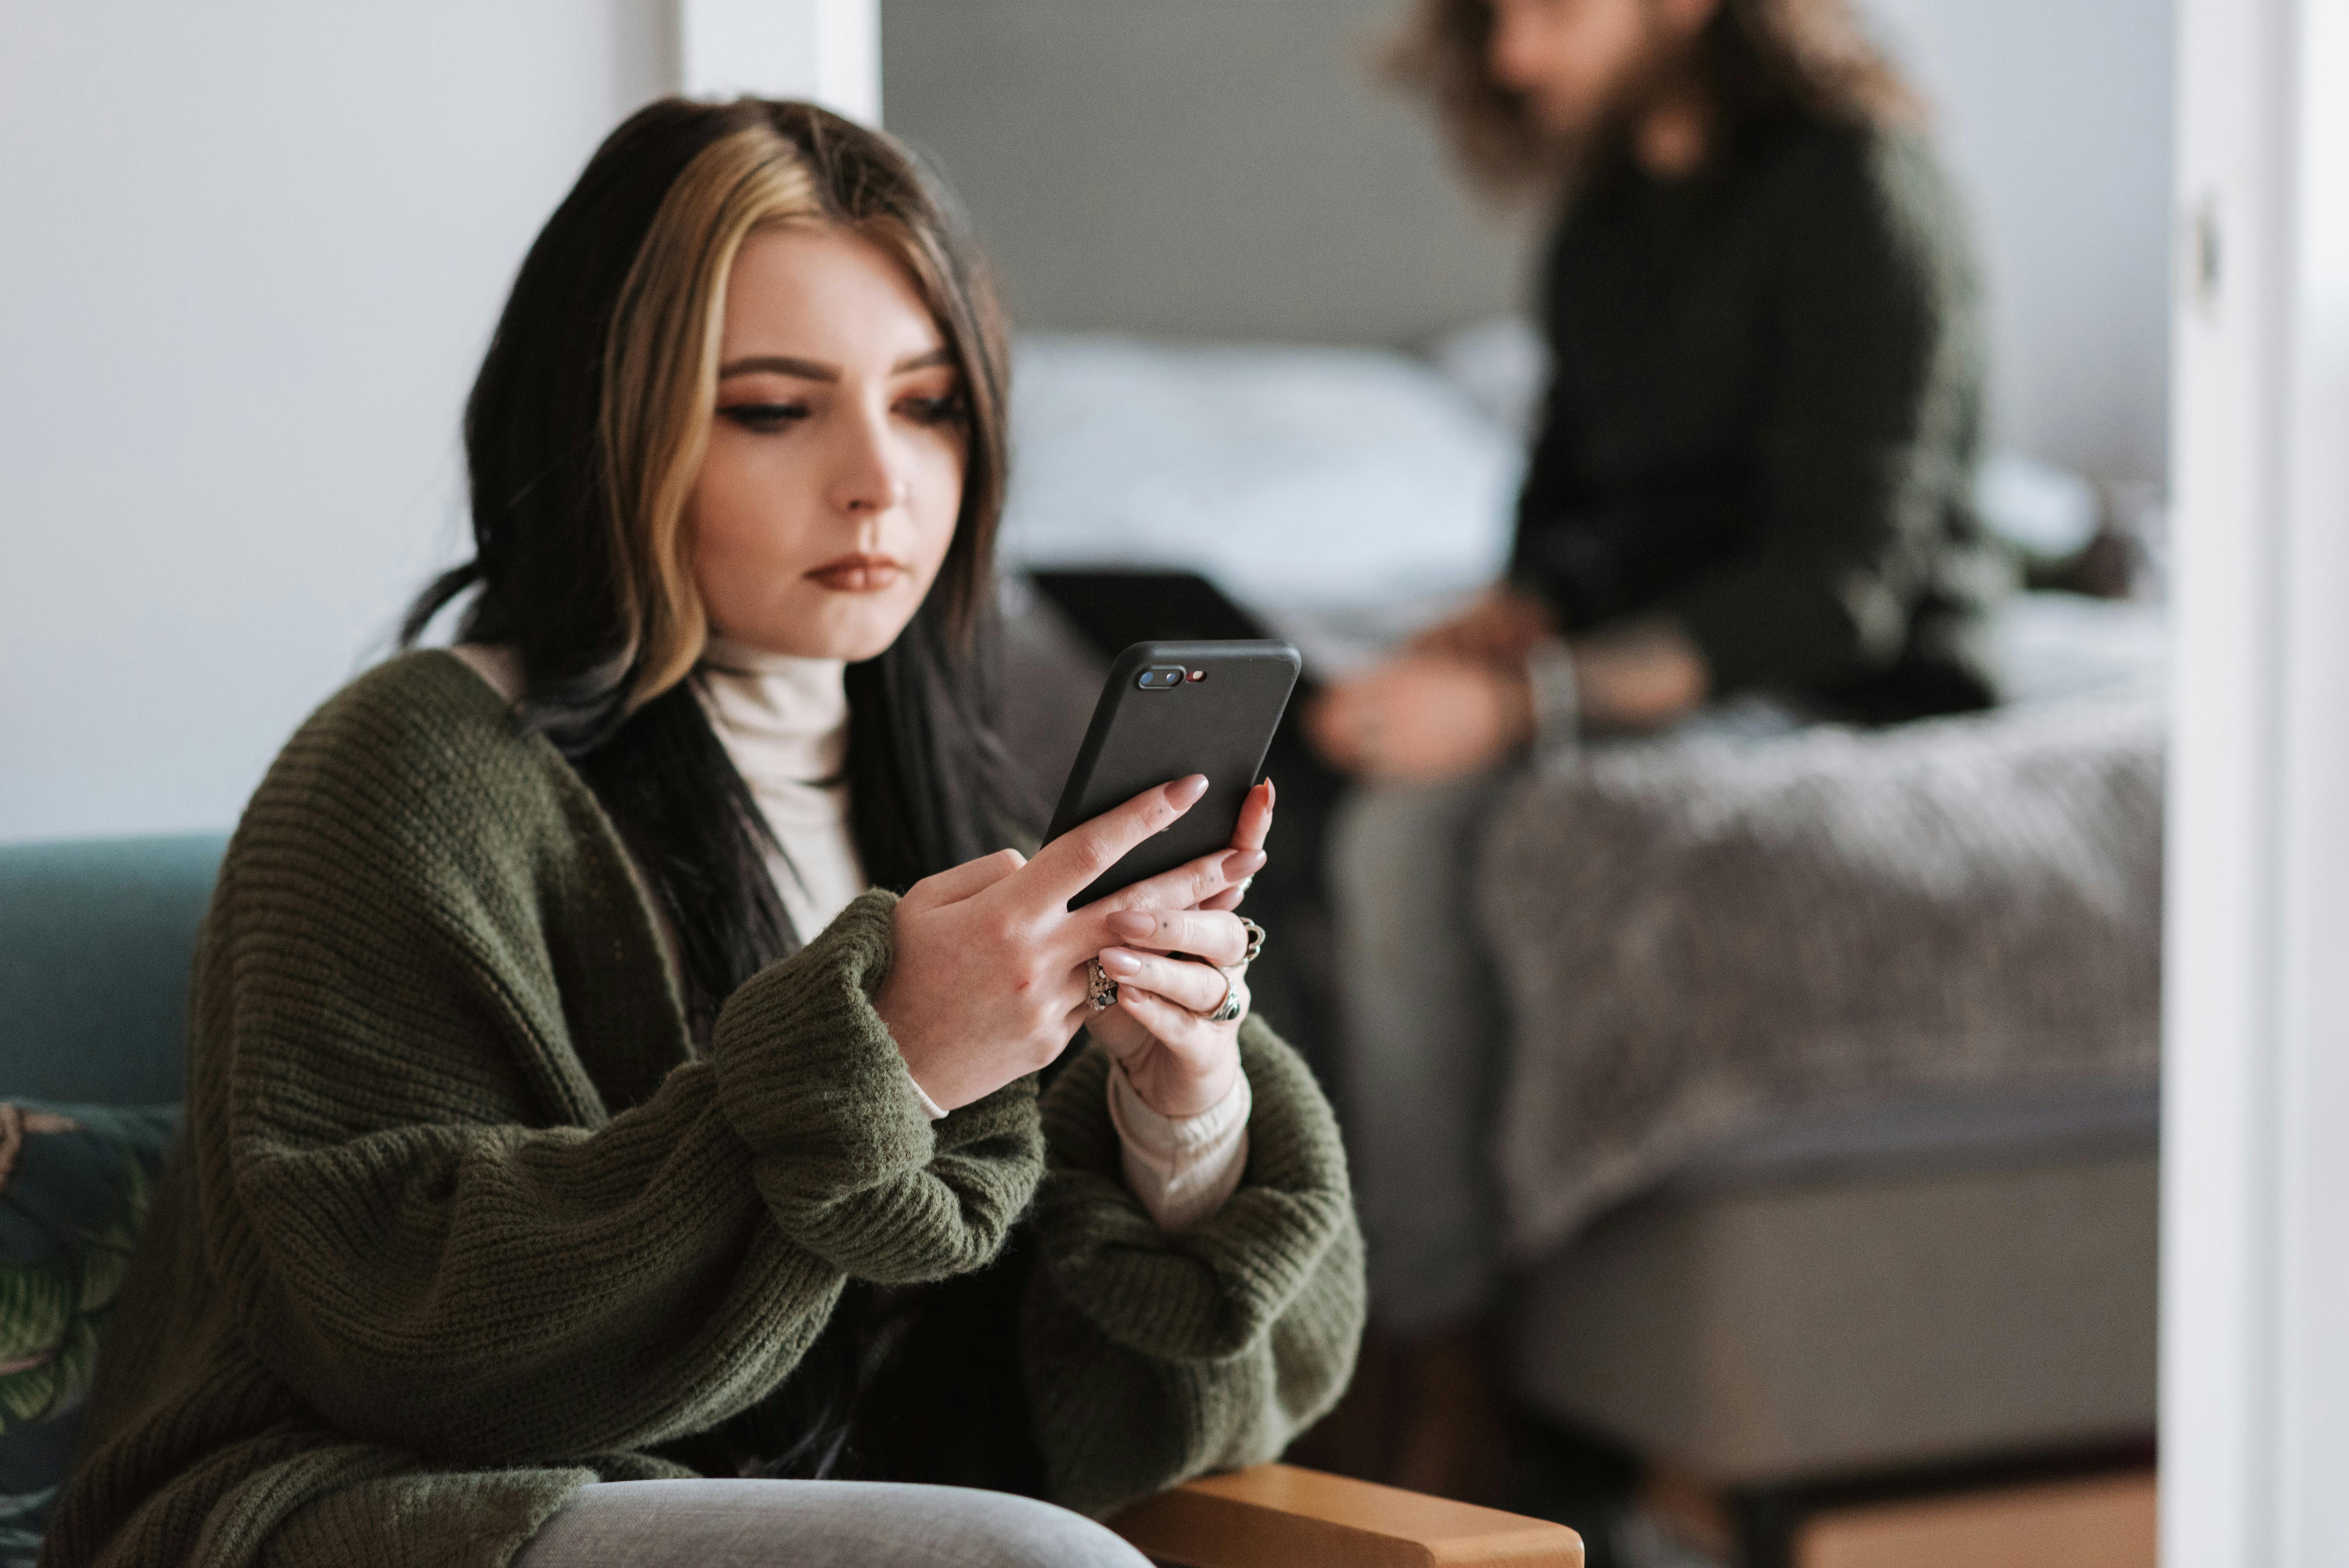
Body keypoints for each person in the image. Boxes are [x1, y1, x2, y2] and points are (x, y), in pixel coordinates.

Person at [46, 100, 1362, 1568]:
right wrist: (890, 1061)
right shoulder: (412, 764)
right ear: (610, 420)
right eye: (775, 409)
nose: (881, 479)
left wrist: (1179, 1124)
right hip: (402, 1516)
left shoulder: (954, 813)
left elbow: (1173, 1417)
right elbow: (396, 1329)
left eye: (928, 405)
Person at [1303, 0, 2008, 1499]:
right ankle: (1328, 1323)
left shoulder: (1860, 190)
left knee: (1412, 835)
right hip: (1648, 639)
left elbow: (1835, 585)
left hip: (1846, 672)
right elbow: (1574, 501)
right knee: (1328, 776)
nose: (1508, 58)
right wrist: (1507, 620)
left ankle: (1440, 1360)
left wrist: (1524, 709)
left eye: (1548, 11)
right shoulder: (1612, 209)